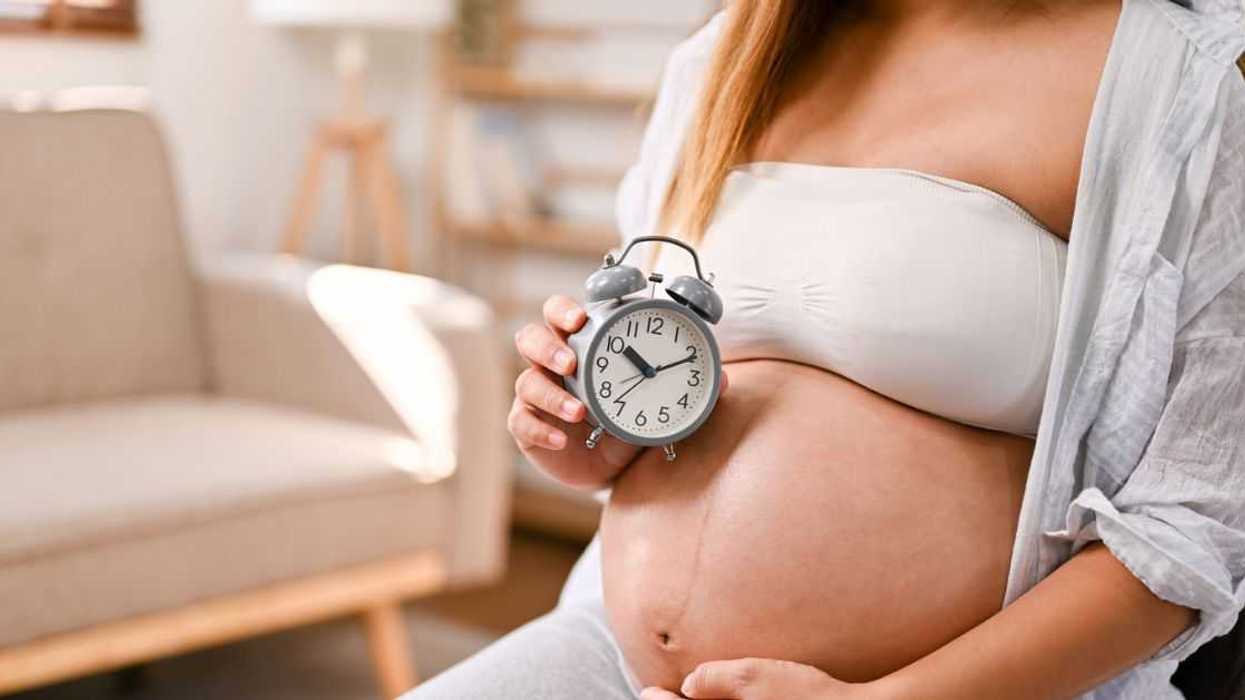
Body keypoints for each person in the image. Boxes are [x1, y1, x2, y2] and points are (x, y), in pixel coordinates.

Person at [404, 1, 1245, 697]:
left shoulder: (1178, 82)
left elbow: (1190, 531)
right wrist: (587, 431)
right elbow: (670, 380)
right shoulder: (731, 55)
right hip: (614, 657)